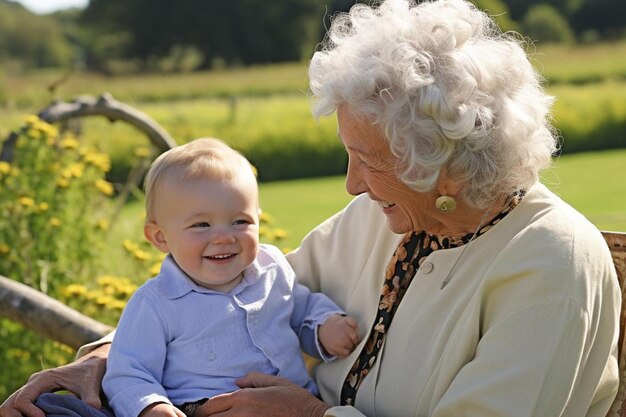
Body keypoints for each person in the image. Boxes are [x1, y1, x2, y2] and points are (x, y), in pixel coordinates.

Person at [0, 0, 620, 416]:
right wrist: (109, 357)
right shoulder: (381, 218)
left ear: (441, 163)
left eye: (367, 160)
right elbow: (237, 291)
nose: (351, 185)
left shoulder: (550, 262)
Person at [25, 137, 360, 417]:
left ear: (259, 220)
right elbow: (129, 370)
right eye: (201, 225)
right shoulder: (156, 303)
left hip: (294, 401)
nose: (224, 237)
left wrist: (323, 323)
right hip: (203, 408)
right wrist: (151, 406)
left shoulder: (271, 268)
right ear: (159, 238)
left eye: (240, 222)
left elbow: (300, 305)